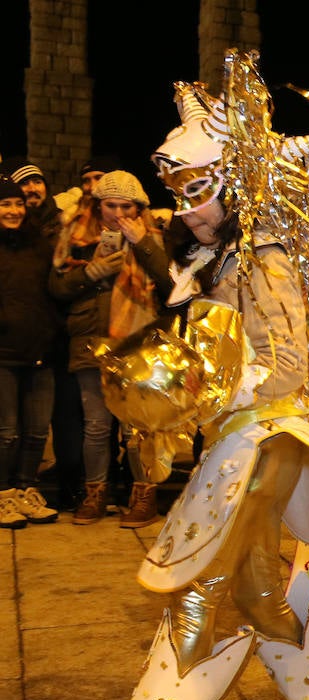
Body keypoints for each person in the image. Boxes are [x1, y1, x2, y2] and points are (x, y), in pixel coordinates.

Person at [24, 50, 309, 700]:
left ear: (235, 181)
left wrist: (198, 390)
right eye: (178, 193)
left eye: (196, 191)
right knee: (256, 593)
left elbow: (286, 365)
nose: (183, 207)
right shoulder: (227, 251)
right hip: (246, 438)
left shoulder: (264, 253)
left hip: (266, 440)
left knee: (199, 591)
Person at [49, 170, 171, 527]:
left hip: (137, 341)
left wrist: (142, 245)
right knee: (97, 426)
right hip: (90, 338)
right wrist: (91, 271)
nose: (118, 213)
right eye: (110, 205)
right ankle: (95, 494)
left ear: (139, 207)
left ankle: (143, 495)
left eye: (126, 206)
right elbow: (56, 287)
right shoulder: (75, 235)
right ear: (96, 205)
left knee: (136, 426)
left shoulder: (153, 237)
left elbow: (170, 283)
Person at [0, 175, 61, 528]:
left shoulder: (38, 245)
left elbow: (51, 290)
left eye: (17, 204)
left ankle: (27, 489)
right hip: (4, 352)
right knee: (6, 431)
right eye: (5, 204)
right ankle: (4, 494)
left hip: (40, 349)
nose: (13, 210)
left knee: (37, 430)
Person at [0, 157, 63, 246]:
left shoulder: (63, 221)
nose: (33, 189)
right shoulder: (9, 223)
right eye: (24, 183)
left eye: (37, 182)